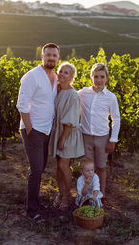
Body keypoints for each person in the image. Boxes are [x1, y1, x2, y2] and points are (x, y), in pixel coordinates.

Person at [16, 43, 60, 222]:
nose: (51, 58)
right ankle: (32, 211)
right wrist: (30, 129)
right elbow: (21, 104)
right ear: (42, 56)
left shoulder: (55, 77)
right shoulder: (32, 76)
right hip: (33, 129)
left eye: (54, 56)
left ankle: (31, 202)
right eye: (48, 55)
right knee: (36, 169)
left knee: (40, 168)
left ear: (58, 58)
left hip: (46, 129)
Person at [78, 63, 120, 207]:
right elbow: (70, 96)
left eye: (102, 77)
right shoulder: (83, 93)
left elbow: (116, 118)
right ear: (91, 77)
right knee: (87, 168)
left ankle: (100, 195)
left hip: (103, 138)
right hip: (86, 136)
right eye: (96, 76)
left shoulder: (111, 97)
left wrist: (113, 140)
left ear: (106, 78)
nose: (98, 80)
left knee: (101, 167)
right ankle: (87, 194)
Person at [49, 62, 85, 209]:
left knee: (64, 165)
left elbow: (70, 121)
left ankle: (66, 196)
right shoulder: (56, 91)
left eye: (66, 73)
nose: (62, 74)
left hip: (67, 134)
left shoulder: (72, 95)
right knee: (58, 166)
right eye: (61, 71)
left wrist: (63, 138)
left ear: (71, 77)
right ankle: (60, 192)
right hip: (58, 132)